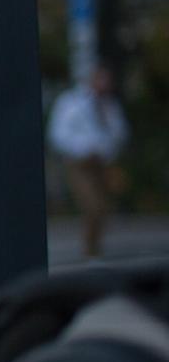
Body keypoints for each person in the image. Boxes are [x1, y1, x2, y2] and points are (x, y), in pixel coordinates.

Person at [47, 66, 129, 258]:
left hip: (102, 164)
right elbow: (58, 134)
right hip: (80, 164)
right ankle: (90, 252)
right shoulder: (71, 103)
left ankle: (95, 249)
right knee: (92, 205)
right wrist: (82, 149)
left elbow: (120, 133)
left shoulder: (109, 106)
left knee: (103, 207)